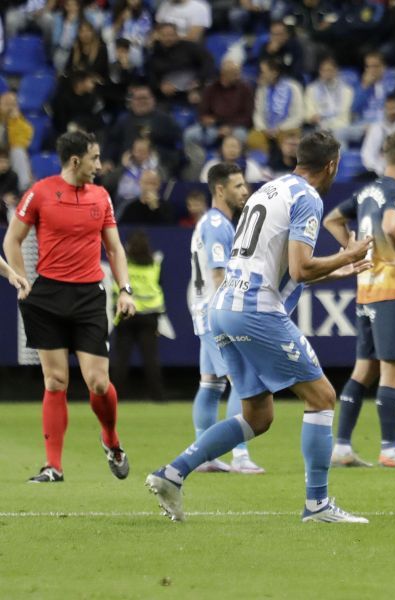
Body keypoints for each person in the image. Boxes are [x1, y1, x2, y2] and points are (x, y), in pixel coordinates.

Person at [146, 131, 373, 523]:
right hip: (256, 309)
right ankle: (317, 505)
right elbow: (301, 266)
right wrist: (347, 253)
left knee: (258, 416)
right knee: (321, 397)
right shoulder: (308, 198)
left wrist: (341, 268)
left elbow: (283, 268)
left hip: (223, 308)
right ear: (332, 165)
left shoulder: (268, 192)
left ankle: (172, 473)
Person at [3, 131, 137, 483]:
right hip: (47, 296)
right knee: (55, 379)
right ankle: (53, 466)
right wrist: (20, 278)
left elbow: (115, 249)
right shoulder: (40, 192)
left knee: (97, 382)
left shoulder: (101, 196)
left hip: (89, 296)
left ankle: (110, 438)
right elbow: (12, 239)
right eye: (94, 158)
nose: (99, 164)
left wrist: (125, 289)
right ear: (76, 161)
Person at [324, 132, 395, 469]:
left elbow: (332, 220)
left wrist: (353, 250)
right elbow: (392, 226)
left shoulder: (365, 191)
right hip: (392, 290)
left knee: (364, 369)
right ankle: (390, 449)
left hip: (366, 289)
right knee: (393, 371)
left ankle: (341, 447)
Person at [188, 162, 265, 474]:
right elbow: (219, 275)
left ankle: (203, 454)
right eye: (238, 186)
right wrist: (233, 314)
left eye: (244, 184)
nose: (245, 191)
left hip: (202, 311)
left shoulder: (212, 222)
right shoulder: (218, 225)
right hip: (217, 312)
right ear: (220, 190)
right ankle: (240, 454)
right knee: (242, 381)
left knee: (211, 383)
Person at [110, 230, 165, 402]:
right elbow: (159, 287)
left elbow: (116, 288)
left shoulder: (123, 264)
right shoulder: (155, 265)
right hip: (149, 316)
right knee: (151, 359)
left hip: (126, 314)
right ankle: (157, 396)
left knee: (121, 359)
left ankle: (116, 397)